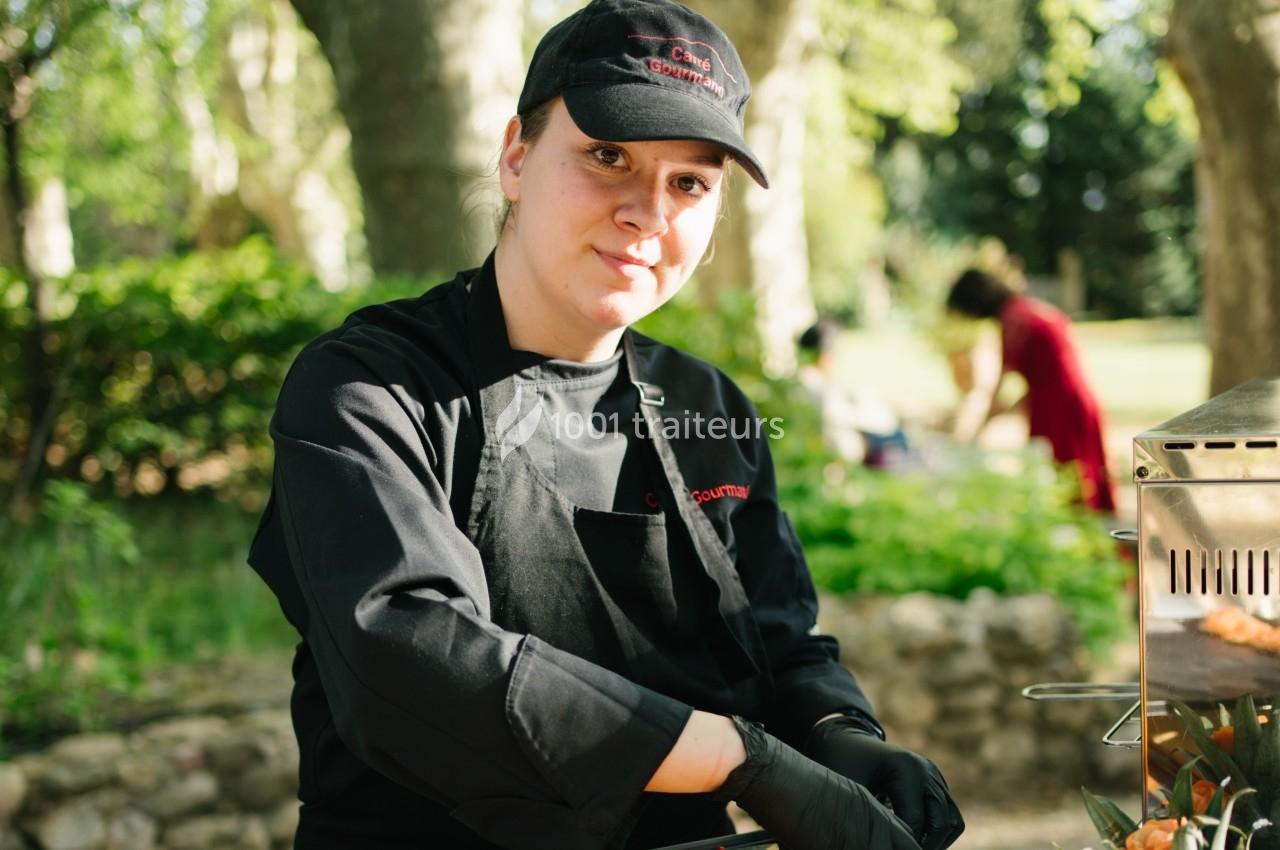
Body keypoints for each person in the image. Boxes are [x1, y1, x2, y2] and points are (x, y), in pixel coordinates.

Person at [248, 2, 965, 848]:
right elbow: (408, 655)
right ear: (516, 156)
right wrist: (743, 760)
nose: (646, 212)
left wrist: (839, 734)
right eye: (607, 155)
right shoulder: (370, 386)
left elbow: (779, 639)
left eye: (689, 182)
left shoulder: (710, 409)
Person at [945, 268, 1115, 512]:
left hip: (1058, 411)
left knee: (1066, 485)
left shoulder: (1014, 321)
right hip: (1076, 401)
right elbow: (1042, 376)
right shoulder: (1027, 309)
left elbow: (1000, 389)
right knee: (1085, 477)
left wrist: (974, 437)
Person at [797, 318, 910, 469]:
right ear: (825, 354)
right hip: (842, 450)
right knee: (896, 439)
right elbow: (840, 415)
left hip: (841, 445)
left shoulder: (805, 380)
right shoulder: (813, 383)